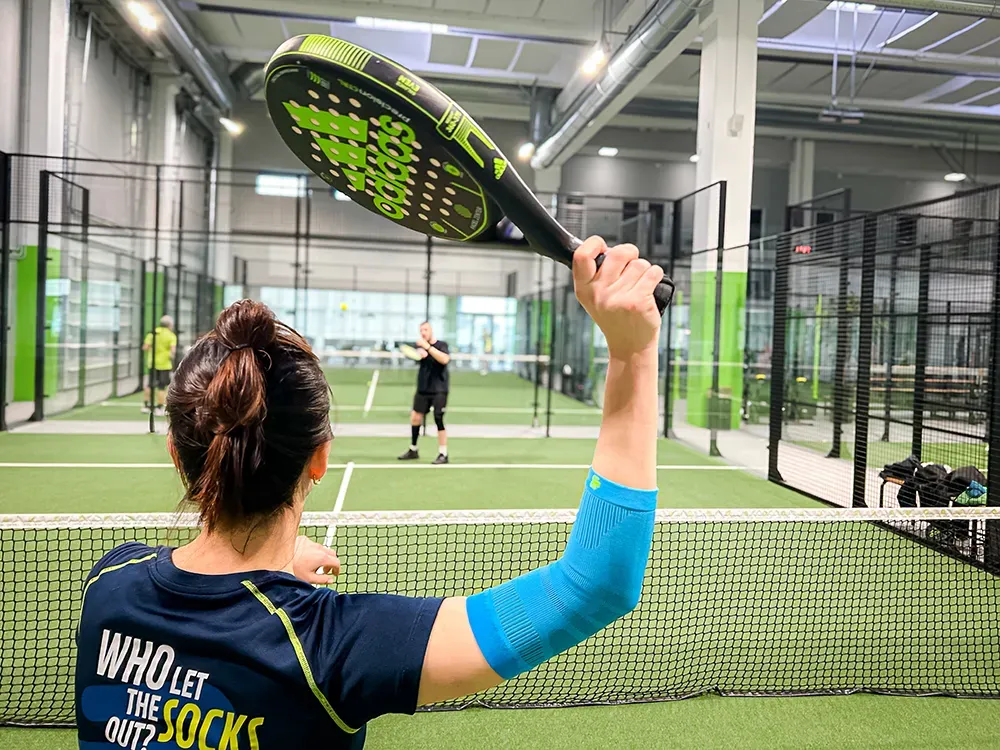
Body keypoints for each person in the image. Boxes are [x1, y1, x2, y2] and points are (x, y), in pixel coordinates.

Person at [75, 238, 664, 749]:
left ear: (178, 455)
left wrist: (271, 562)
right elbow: (592, 587)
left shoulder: (108, 583)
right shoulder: (335, 644)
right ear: (320, 458)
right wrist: (632, 354)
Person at [398, 321, 451, 465]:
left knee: (438, 418)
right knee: (415, 417)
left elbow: (445, 359)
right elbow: (414, 355)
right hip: (423, 389)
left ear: (431, 331)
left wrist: (428, 348)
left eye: (426, 330)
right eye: (421, 330)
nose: (423, 332)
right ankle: (413, 449)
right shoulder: (419, 346)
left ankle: (443, 453)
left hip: (439, 389)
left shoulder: (441, 345)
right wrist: (417, 354)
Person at [142, 315, 177, 415]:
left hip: (152, 363)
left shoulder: (153, 333)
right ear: (170, 325)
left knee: (149, 384)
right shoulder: (171, 336)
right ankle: (159, 407)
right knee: (161, 386)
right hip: (164, 364)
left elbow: (145, 347)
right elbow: (172, 351)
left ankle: (146, 406)